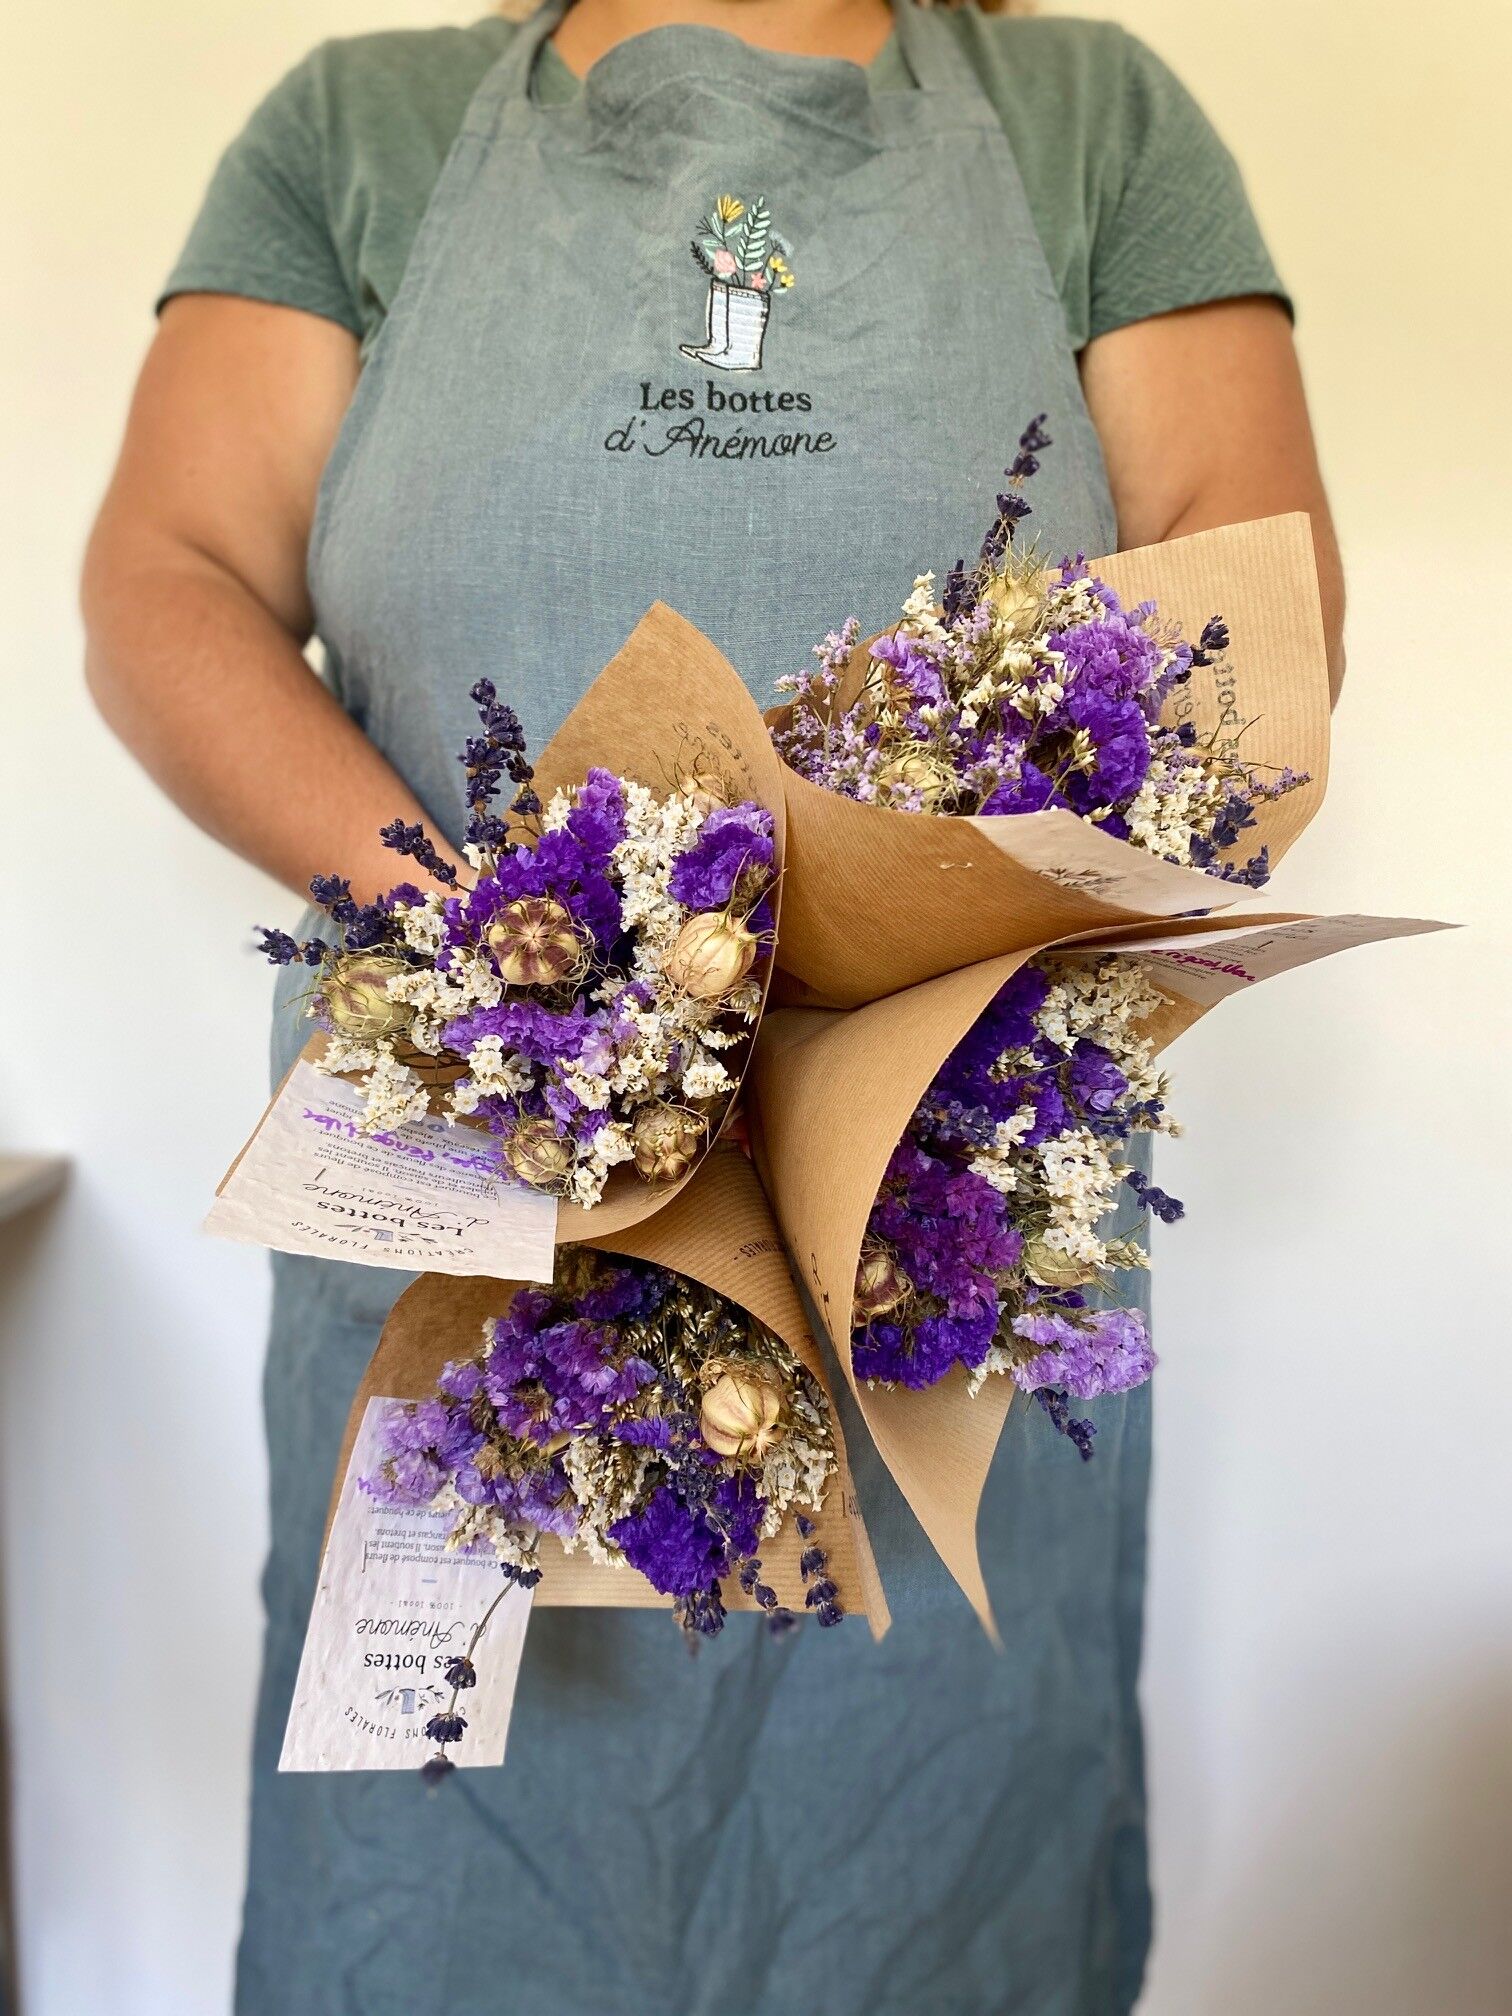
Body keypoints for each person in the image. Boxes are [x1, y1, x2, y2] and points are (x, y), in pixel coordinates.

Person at [82, 2, 1345, 2010]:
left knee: (934, 1898)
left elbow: (1236, 652)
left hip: (941, 1238)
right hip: (478, 1215)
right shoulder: (358, 129)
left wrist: (856, 993)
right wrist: (524, 967)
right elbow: (168, 577)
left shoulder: (1094, 119)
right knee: (440, 1911)